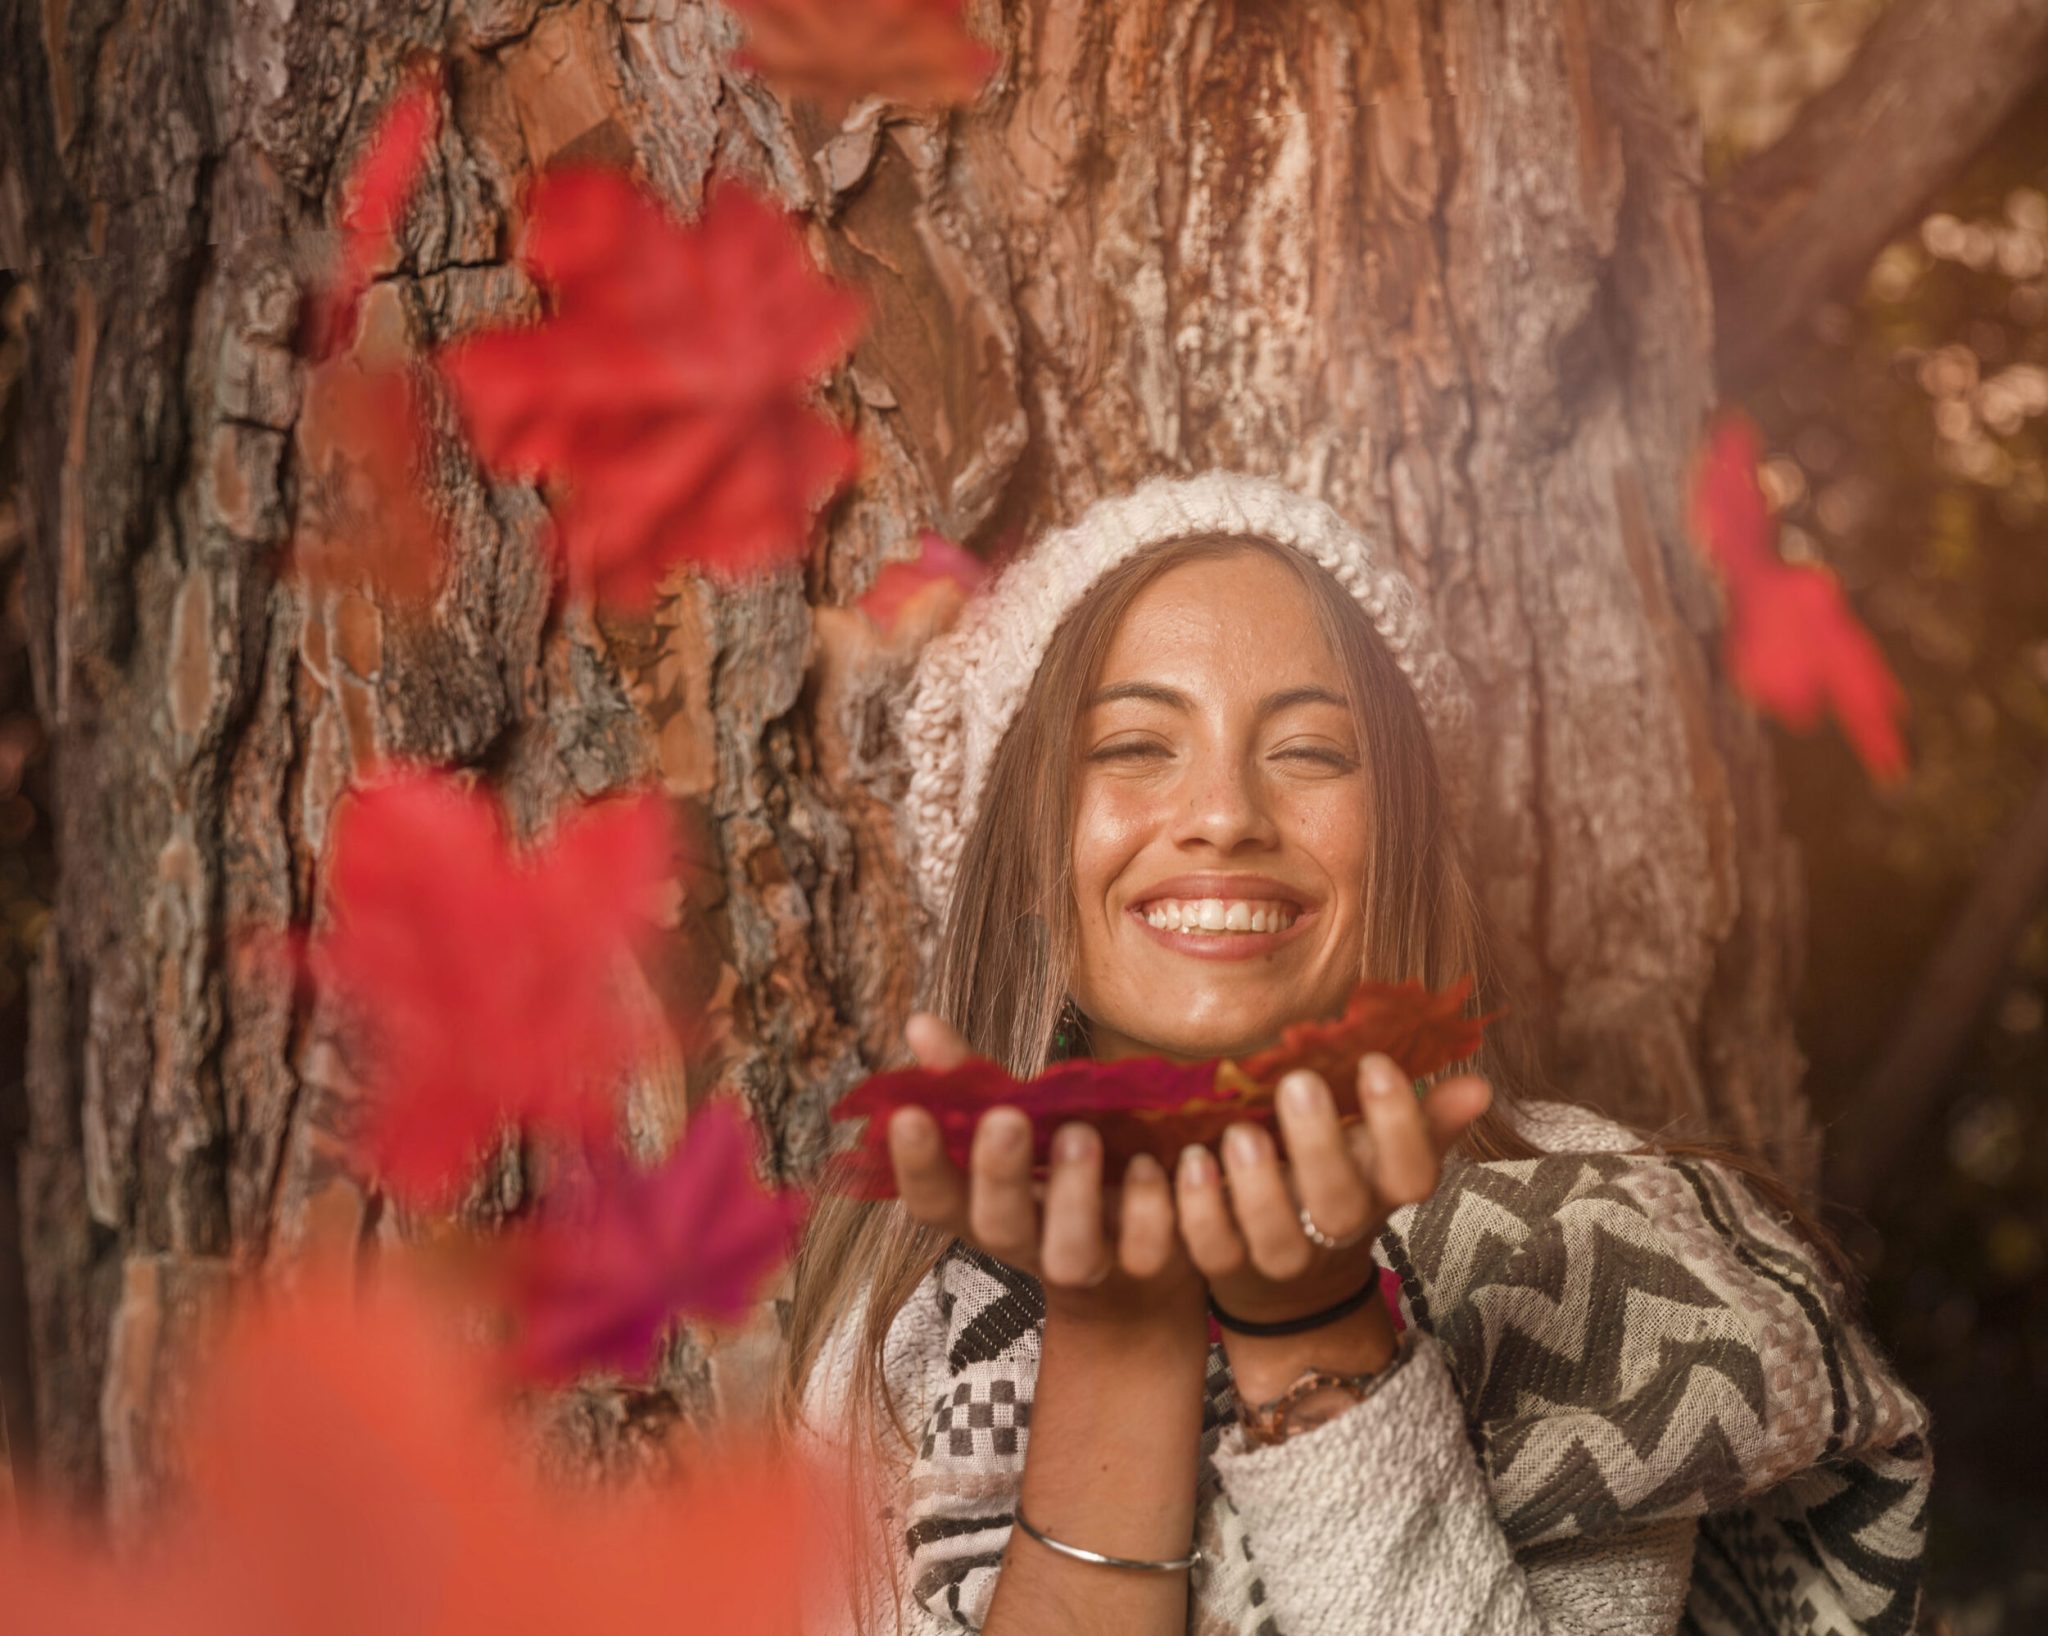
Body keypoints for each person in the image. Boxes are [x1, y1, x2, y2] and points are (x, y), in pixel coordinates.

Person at [782, 473, 1931, 1636]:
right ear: (1024, 859)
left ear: (1400, 843)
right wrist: (1117, 1354)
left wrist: (1316, 1333)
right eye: (1132, 744)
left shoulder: (1578, 1256)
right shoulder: (897, 1303)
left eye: (1311, 752)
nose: (1223, 812)